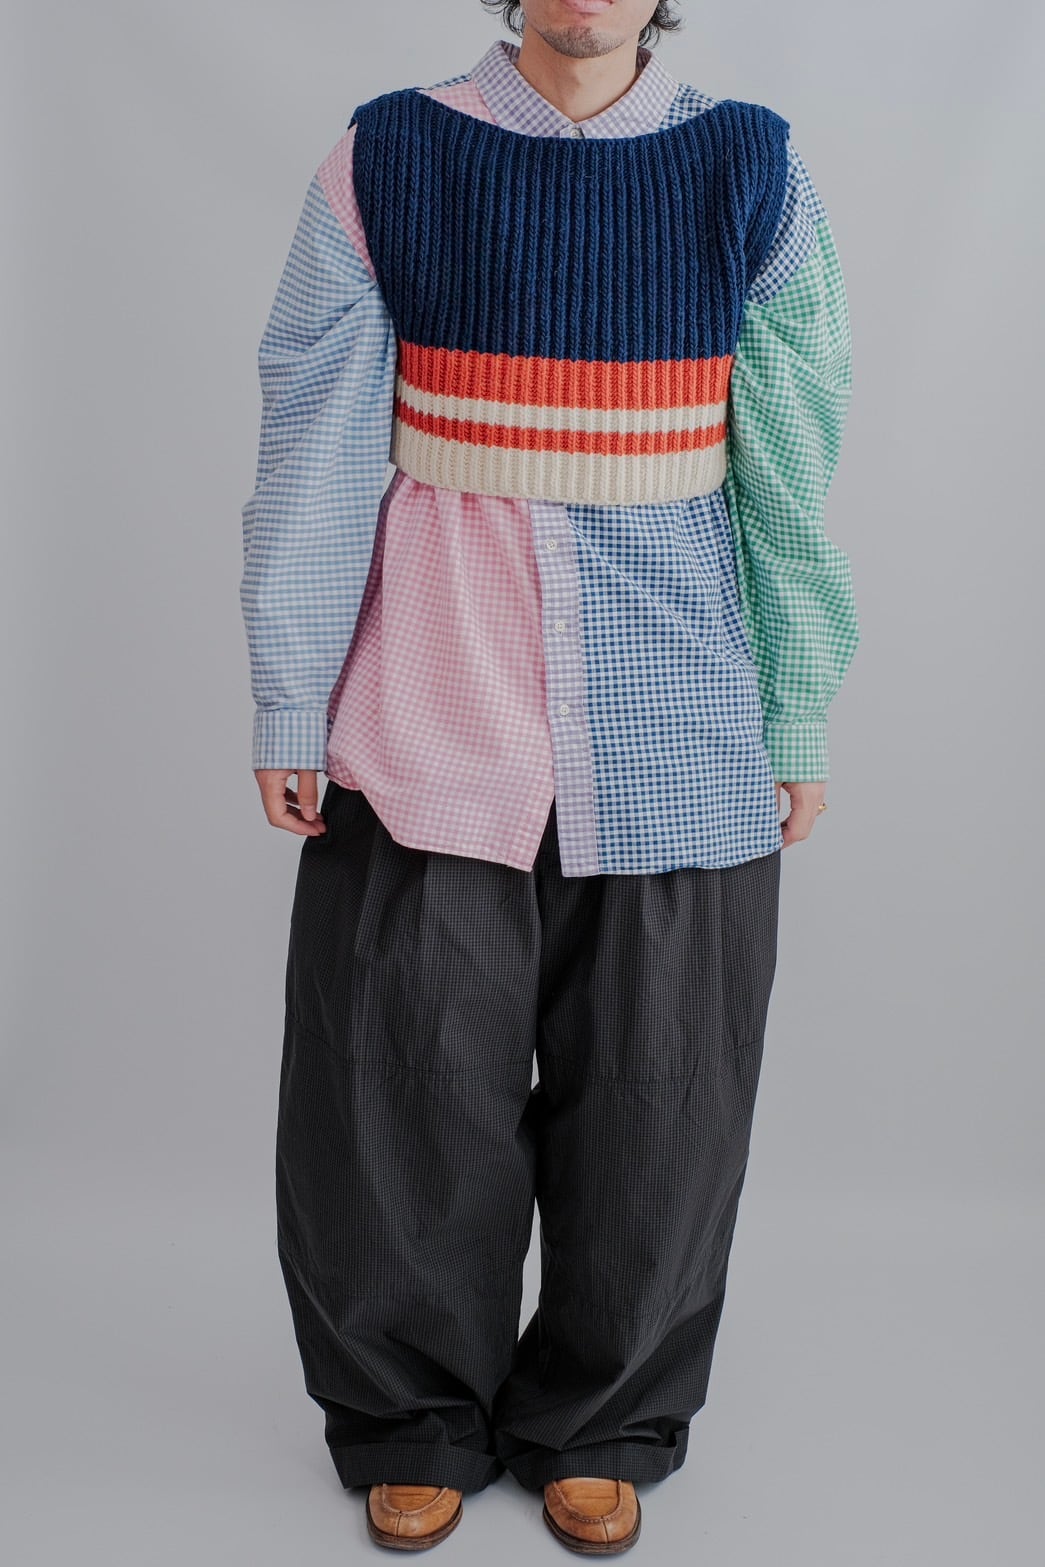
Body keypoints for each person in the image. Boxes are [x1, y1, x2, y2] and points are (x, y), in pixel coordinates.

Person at [239, 0, 859, 1553]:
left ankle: (606, 1420)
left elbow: (792, 460)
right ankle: (410, 1416)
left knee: (664, 1095)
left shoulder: (749, 168)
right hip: (428, 701)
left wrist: (795, 710)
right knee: (395, 1084)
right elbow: (313, 435)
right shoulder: (389, 156)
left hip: (680, 712)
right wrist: (290, 696)